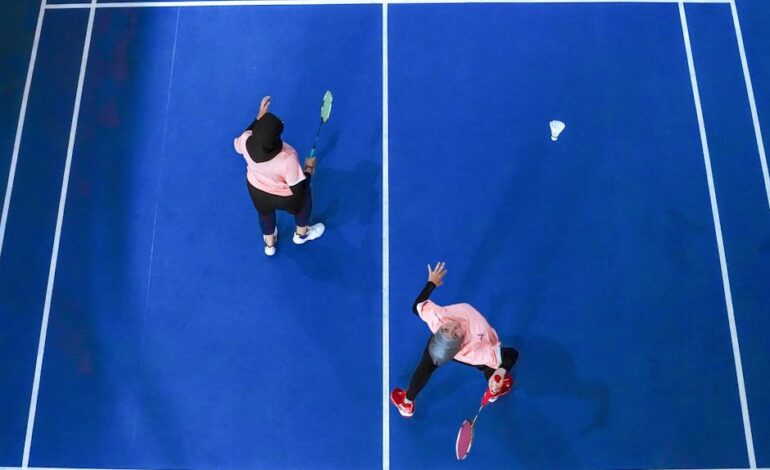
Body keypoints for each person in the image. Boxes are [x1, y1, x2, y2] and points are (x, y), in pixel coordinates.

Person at [390, 262, 519, 417]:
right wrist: (501, 370)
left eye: (445, 330)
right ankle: (497, 383)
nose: (452, 327)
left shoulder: (437, 318)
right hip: (480, 343)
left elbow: (416, 307)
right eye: (454, 334)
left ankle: (406, 402)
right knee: (487, 364)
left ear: (438, 330)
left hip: (470, 342)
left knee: (434, 358)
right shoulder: (472, 350)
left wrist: (431, 283)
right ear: (459, 344)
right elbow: (512, 353)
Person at [233, 96, 324, 256]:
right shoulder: (287, 157)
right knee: (305, 197)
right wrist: (309, 169)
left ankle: (270, 244)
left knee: (265, 213)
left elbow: (240, 143)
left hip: (257, 191)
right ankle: (301, 234)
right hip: (285, 198)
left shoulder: (246, 141)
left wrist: (258, 118)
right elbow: (299, 191)